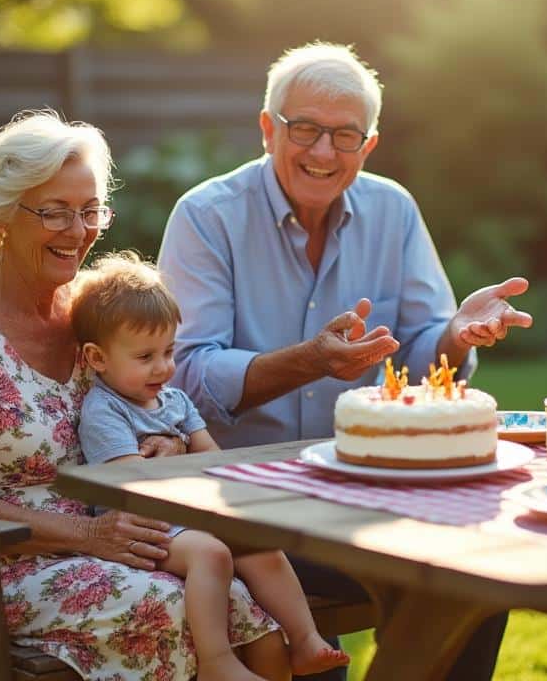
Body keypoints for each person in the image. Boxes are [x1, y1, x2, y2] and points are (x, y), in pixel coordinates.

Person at [158, 42, 533, 679]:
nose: (323, 152)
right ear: (268, 127)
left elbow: (417, 357)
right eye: (304, 129)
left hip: (363, 493)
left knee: (477, 570)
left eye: (344, 135)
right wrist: (308, 361)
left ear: (369, 145)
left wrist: (454, 339)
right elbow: (185, 375)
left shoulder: (395, 210)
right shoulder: (206, 217)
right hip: (239, 506)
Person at [0, 110, 283, 681]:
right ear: (4, 214)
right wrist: (87, 534)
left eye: (89, 211)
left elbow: (153, 406)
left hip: (120, 535)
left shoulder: (91, 312)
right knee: (171, 606)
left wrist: (169, 451)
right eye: (54, 211)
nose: (78, 231)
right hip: (4, 568)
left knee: (242, 597)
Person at [71, 250, 350, 680]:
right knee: (212, 553)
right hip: (141, 531)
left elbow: (215, 460)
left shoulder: (175, 401)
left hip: (186, 517)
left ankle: (307, 639)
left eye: (169, 351)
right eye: (145, 357)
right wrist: (187, 460)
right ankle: (217, 660)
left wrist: (186, 451)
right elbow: (134, 486)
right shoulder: (105, 411)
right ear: (97, 358)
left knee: (260, 543)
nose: (163, 367)